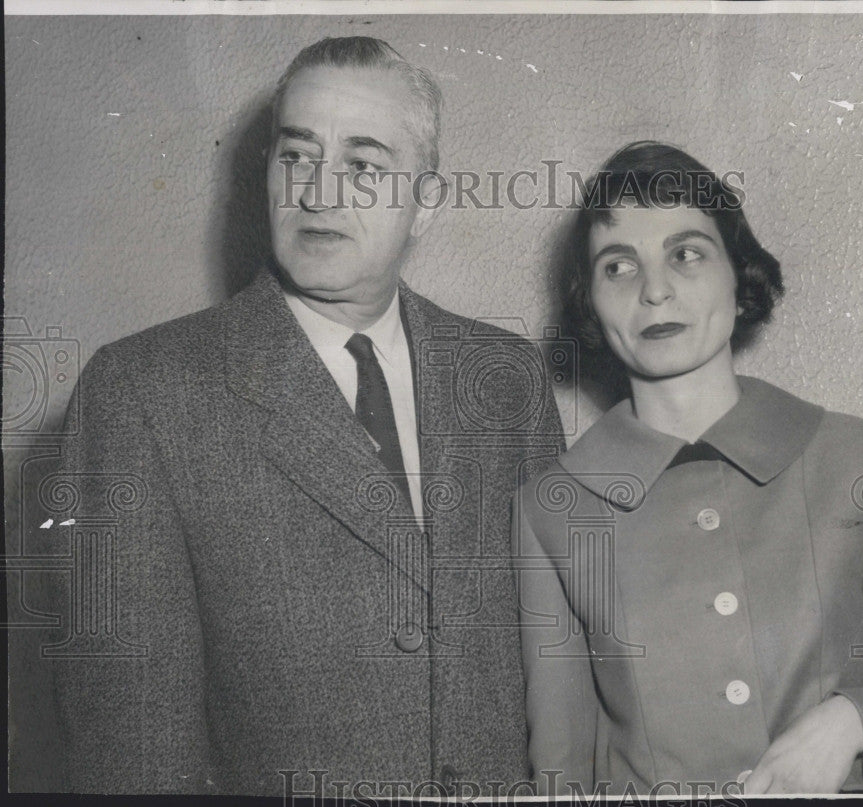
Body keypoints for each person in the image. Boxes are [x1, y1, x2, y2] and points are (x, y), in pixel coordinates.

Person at [42, 37, 563, 795]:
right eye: (296, 156)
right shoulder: (143, 392)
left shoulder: (506, 378)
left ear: (427, 201)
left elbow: (560, 674)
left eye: (362, 164)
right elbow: (133, 737)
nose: (319, 192)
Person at [513, 141, 863, 795]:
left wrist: (850, 721)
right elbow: (561, 771)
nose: (655, 290)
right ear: (590, 303)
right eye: (618, 266)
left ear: (740, 279)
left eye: (686, 254)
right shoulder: (551, 507)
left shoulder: (855, 456)